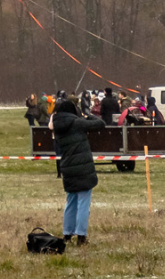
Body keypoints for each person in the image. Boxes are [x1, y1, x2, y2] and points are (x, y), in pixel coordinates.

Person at [51, 90, 103, 246]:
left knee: (71, 202)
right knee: (83, 204)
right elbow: (101, 124)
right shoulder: (77, 123)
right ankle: (81, 236)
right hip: (82, 168)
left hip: (67, 167)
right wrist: (88, 116)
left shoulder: (57, 126)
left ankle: (67, 234)